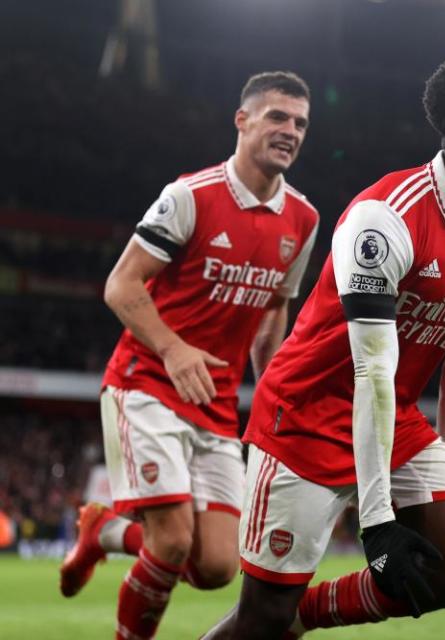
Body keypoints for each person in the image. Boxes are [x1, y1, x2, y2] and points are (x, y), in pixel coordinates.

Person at [202, 49, 445, 639]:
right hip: (305, 418)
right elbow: (372, 373)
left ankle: (306, 614)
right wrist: (378, 522)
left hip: (395, 418)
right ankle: (283, 617)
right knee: (259, 620)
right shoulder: (384, 220)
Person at [58, 71, 319, 640]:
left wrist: (276, 403)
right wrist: (174, 349)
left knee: (217, 568)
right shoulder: (190, 196)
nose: (290, 131)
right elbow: (121, 286)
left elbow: (271, 322)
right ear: (242, 120)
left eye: (300, 123)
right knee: (172, 539)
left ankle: (104, 531)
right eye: (277, 117)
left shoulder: (304, 220)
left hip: (216, 403)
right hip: (147, 379)